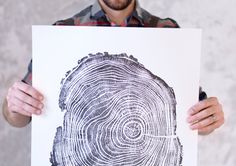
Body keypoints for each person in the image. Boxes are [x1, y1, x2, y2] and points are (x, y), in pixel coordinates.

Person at [2, 0, 224, 134]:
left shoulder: (167, 32)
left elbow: (194, 109)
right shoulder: (62, 33)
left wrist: (208, 119)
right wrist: (14, 105)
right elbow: (19, 118)